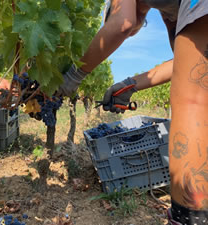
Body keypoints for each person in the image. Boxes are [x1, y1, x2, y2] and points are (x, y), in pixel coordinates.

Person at [58, 0, 208, 224]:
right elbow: (187, 61)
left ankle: (189, 217)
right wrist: (131, 84)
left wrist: (73, 76)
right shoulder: (171, 14)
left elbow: (123, 22)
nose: (134, 32)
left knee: (191, 102)